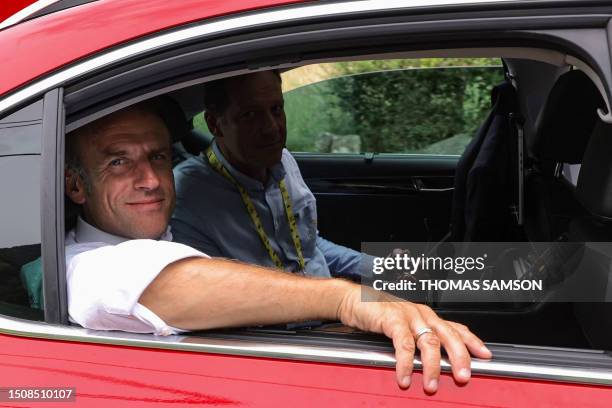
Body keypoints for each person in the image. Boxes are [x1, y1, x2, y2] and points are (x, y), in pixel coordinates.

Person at [64, 101, 491, 394]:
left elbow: (309, 244)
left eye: (157, 158)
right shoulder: (84, 269)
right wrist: (346, 300)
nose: (151, 180)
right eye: (118, 162)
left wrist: (393, 272)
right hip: (290, 361)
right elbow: (168, 282)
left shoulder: (280, 165)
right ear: (76, 185)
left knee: (508, 285)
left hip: (308, 347)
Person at [172, 71, 366, 279]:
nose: (271, 128)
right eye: (250, 115)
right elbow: (220, 300)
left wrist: (388, 269)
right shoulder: (186, 200)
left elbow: (307, 249)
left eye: (276, 109)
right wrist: (344, 300)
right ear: (214, 124)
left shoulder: (283, 160)